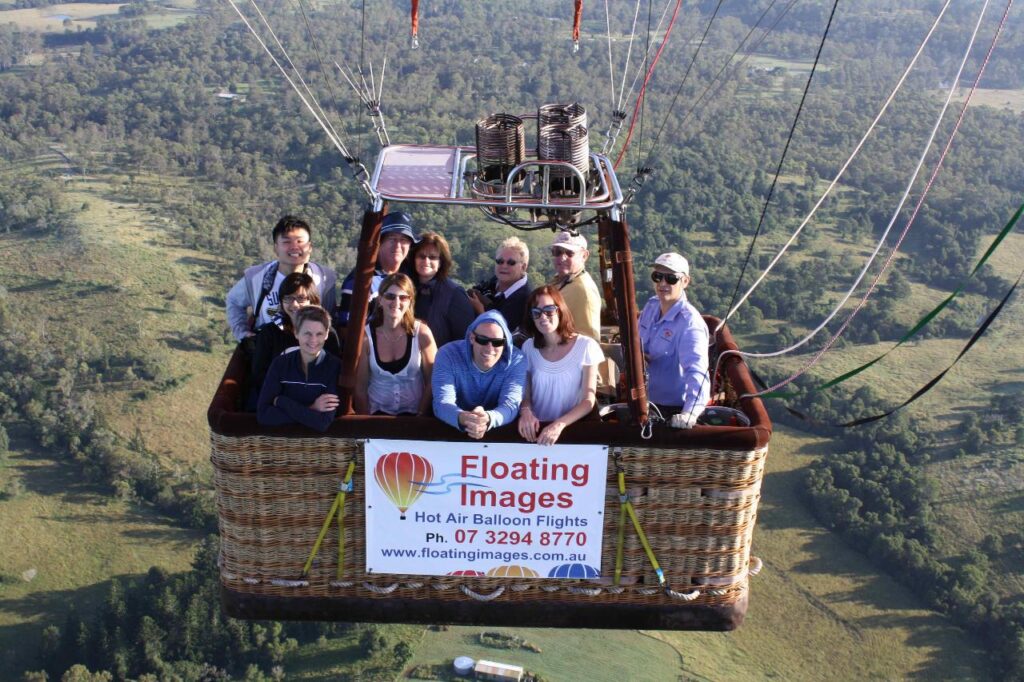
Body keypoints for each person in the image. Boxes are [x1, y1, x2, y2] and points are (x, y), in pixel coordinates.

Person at [226, 215, 337, 344]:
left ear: (310, 247)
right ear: (276, 248)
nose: (294, 247)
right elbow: (233, 301)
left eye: (300, 241)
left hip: (309, 351)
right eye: (286, 242)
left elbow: (330, 318)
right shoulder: (257, 277)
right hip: (267, 352)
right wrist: (243, 333)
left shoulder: (324, 278)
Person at [517, 285, 603, 445]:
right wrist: (526, 413)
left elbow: (588, 401)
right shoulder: (528, 347)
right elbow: (526, 396)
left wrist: (559, 424)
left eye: (549, 310)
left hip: (571, 435)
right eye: (536, 313)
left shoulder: (586, 346)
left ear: (560, 310)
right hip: (535, 434)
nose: (543, 317)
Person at [247, 272, 342, 410]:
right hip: (279, 405)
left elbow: (334, 373)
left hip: (318, 407)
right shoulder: (270, 334)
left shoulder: (328, 334)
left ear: (313, 300)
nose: (294, 304)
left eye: (301, 298)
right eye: (288, 298)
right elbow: (260, 374)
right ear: (281, 301)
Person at [638, 253, 710, 429]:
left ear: (685, 281)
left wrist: (689, 414)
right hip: (642, 401)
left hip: (670, 410)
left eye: (671, 278)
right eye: (658, 276)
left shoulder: (690, 324)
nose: (662, 283)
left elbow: (697, 373)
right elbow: (638, 343)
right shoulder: (651, 306)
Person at [432, 310, 526, 439]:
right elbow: (442, 402)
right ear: (471, 338)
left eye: (497, 342)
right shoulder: (448, 354)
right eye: (482, 340)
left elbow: (511, 405)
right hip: (452, 432)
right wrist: (464, 418)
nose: (489, 348)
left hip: (497, 437)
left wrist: (488, 418)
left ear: (505, 343)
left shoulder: (517, 360)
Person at [354, 273, 437, 416]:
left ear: (410, 301)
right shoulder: (366, 337)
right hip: (376, 417)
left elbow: (433, 380)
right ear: (380, 299)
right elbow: (360, 388)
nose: (396, 302)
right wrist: (366, 424)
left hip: (415, 416)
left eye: (403, 297)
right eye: (390, 296)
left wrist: (421, 414)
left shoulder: (422, 334)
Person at [257, 306, 341, 432]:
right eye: (307, 333)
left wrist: (281, 401)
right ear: (296, 332)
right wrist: (311, 408)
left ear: (327, 334)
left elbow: (322, 422)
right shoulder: (280, 364)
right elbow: (263, 415)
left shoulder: (334, 367)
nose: (313, 340)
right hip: (282, 444)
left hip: (319, 447)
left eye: (319, 334)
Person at [336, 211, 418, 328]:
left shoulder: (410, 275)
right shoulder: (360, 281)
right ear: (379, 243)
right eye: (392, 239)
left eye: (404, 240)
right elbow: (346, 329)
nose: (398, 245)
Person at [410, 230, 475, 348]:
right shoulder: (404, 287)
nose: (426, 261)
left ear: (441, 262)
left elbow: (464, 340)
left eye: (433, 257)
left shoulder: (454, 294)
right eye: (421, 256)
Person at [467, 236, 530, 336]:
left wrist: (481, 312)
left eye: (511, 262)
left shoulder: (526, 301)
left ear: (523, 267)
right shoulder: (493, 282)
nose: (504, 266)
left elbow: (500, 336)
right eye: (500, 261)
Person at [549, 231, 602, 342]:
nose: (562, 258)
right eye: (557, 252)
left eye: (569, 253)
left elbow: (589, 340)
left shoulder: (583, 291)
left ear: (584, 256)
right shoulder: (561, 281)